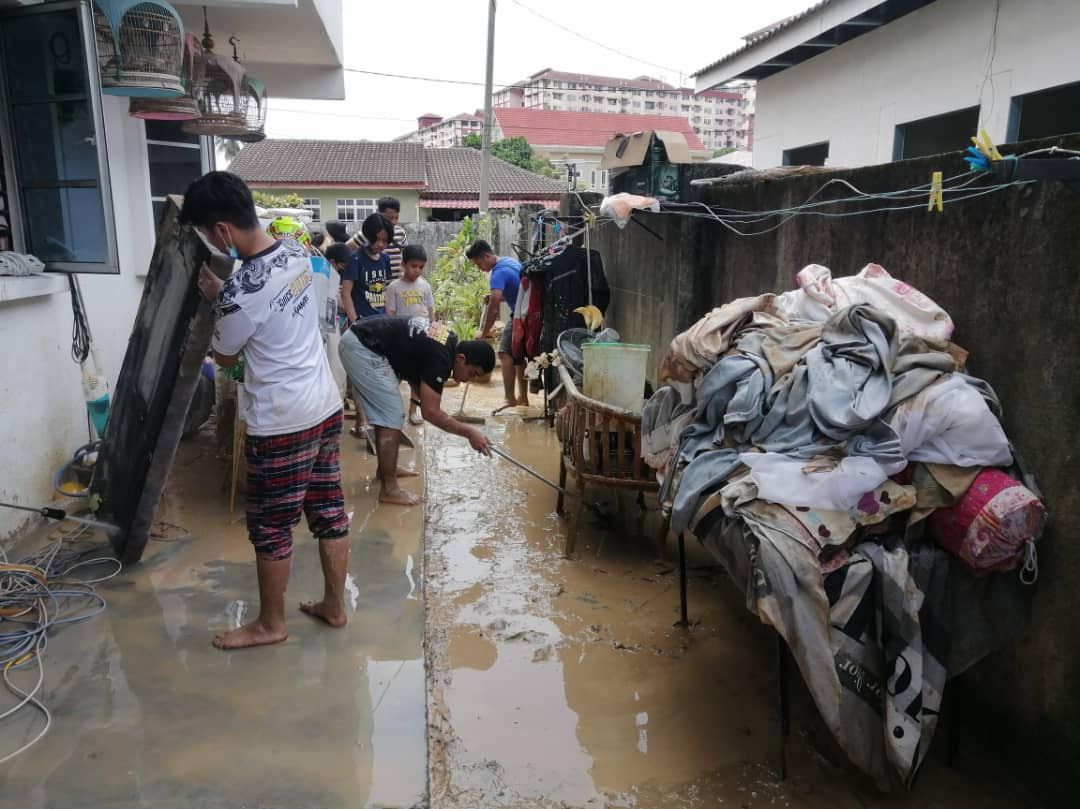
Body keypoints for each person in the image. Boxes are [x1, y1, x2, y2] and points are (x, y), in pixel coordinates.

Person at [182, 171, 350, 651]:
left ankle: (271, 624)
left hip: (281, 421)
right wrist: (226, 293)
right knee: (329, 511)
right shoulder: (295, 252)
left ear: (220, 231)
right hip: (323, 403)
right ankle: (334, 607)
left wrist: (221, 300)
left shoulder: (238, 295)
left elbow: (227, 358)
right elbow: (263, 294)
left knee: (272, 525)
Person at [338, 316, 494, 506]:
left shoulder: (448, 341)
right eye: (472, 373)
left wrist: (430, 404)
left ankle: (386, 470)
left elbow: (414, 365)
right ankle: (389, 490)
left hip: (364, 339)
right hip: (363, 346)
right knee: (391, 414)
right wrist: (469, 432)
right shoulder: (442, 357)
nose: (468, 380)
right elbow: (431, 413)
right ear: (461, 359)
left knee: (390, 412)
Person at [466, 239, 527, 409]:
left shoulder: (498, 273)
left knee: (504, 353)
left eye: (479, 263)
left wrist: (483, 335)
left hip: (519, 315)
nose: (480, 268)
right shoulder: (509, 261)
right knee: (519, 356)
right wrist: (496, 297)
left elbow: (493, 311)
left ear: (486, 256)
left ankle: (510, 399)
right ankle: (523, 398)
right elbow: (513, 291)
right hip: (528, 312)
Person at [384, 245, 436, 425]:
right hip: (400, 339)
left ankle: (414, 411)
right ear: (404, 264)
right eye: (414, 266)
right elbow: (390, 315)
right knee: (394, 378)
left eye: (421, 267)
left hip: (421, 339)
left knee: (417, 378)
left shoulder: (425, 286)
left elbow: (430, 312)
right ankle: (392, 411)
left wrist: (433, 331)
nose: (417, 270)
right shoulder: (394, 287)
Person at [340, 212, 393, 325]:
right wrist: (355, 323)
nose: (380, 244)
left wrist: (389, 318)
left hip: (381, 320)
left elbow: (386, 291)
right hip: (362, 322)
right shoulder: (355, 259)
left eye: (384, 241)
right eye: (377, 239)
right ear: (368, 235)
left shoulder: (385, 259)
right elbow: (346, 293)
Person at [349, 197, 408, 279]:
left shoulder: (400, 232)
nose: (394, 222)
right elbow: (347, 249)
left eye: (396, 218)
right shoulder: (366, 233)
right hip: (373, 286)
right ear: (379, 214)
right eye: (390, 218)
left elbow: (406, 255)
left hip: (396, 286)